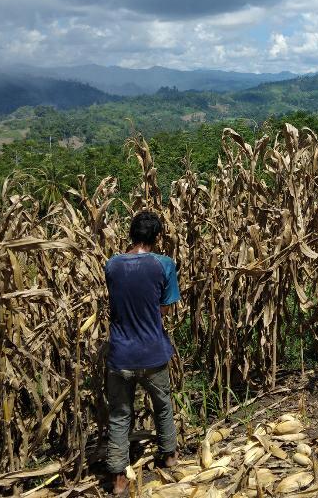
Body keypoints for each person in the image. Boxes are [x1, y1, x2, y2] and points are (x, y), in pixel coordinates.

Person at [104, 211, 180, 495]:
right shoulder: (164, 264)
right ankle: (169, 456)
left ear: (131, 234)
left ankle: (118, 480)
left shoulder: (112, 264)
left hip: (120, 355)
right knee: (163, 405)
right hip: (152, 353)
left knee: (119, 415)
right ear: (157, 237)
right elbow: (164, 308)